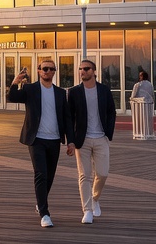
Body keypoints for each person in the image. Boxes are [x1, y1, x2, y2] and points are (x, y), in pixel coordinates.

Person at [7, 58, 68, 228]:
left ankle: (40, 202)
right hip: (36, 139)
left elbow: (66, 118)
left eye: (51, 69)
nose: (47, 71)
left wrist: (70, 141)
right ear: (39, 71)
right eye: (44, 68)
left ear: (54, 72)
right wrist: (15, 81)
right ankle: (44, 212)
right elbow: (12, 97)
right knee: (40, 173)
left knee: (49, 176)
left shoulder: (60, 93)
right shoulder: (30, 89)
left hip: (54, 139)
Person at [66, 58, 116, 225]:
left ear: (94, 71)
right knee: (84, 176)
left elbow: (111, 112)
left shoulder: (104, 90)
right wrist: (71, 140)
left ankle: (95, 198)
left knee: (103, 173)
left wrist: (108, 133)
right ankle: (87, 210)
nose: (83, 72)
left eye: (86, 69)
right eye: (80, 69)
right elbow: (69, 117)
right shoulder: (74, 92)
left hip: (101, 137)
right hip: (83, 140)